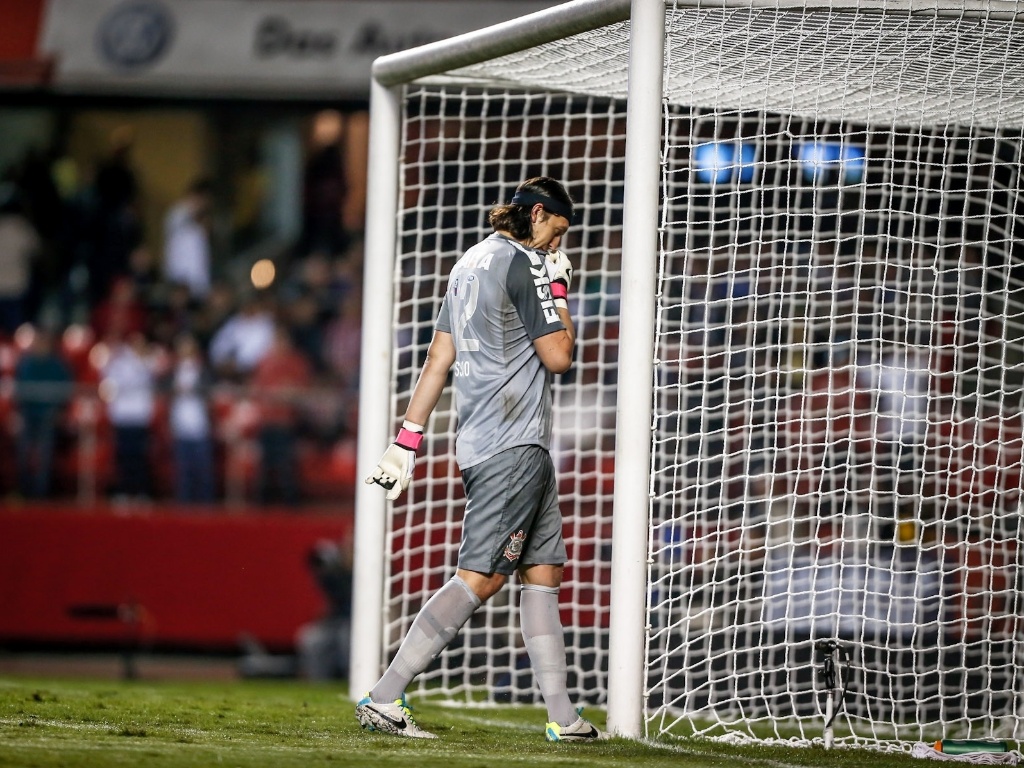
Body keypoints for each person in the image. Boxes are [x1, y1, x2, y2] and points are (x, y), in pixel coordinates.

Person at [359, 177, 600, 742]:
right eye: (557, 233)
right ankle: (385, 695)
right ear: (538, 215)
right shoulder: (527, 265)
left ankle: (563, 718)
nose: (556, 248)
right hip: (510, 445)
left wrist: (407, 441)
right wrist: (560, 290)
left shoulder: (466, 264)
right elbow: (559, 356)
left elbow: (439, 357)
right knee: (481, 578)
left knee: (543, 575)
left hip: (502, 443)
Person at [14, 327, 73, 498]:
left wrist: (60, 412)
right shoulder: (26, 364)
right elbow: (19, 390)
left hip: (48, 417)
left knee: (44, 456)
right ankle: (24, 491)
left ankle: (40, 495)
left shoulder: (58, 365)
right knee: (23, 453)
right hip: (28, 415)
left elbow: (65, 390)